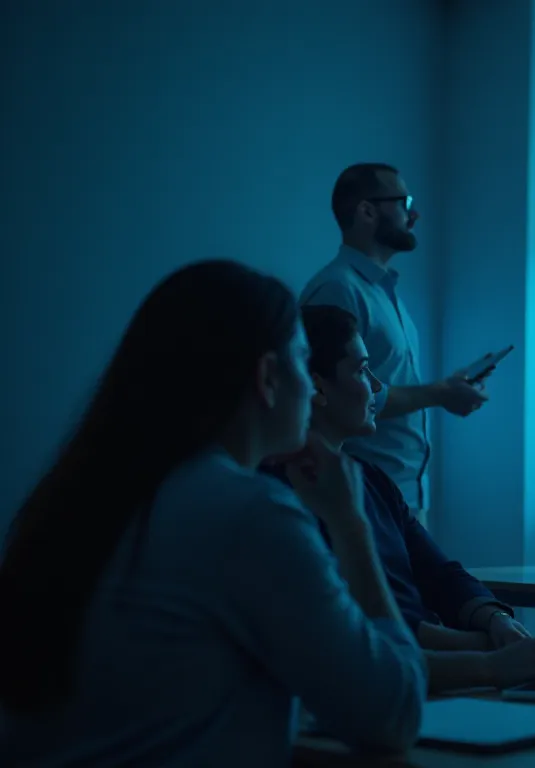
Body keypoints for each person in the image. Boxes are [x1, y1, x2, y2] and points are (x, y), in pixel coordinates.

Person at [0, 261, 426, 765]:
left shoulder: (77, 500)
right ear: (268, 377)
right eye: (301, 361)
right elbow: (393, 713)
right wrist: (349, 524)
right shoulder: (249, 513)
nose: (312, 390)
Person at [267, 305, 535, 690]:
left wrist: (497, 621)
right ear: (318, 388)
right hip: (393, 681)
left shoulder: (371, 479)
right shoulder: (281, 494)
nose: (377, 386)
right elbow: (359, 626)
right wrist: (488, 654)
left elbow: (440, 573)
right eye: (362, 370)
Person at [301, 162, 489, 524]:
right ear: (367, 210)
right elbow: (333, 394)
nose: (413, 213)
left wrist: (444, 391)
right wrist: (440, 393)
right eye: (404, 202)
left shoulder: (382, 292)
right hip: (363, 495)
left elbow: (373, 385)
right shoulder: (337, 289)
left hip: (398, 495)